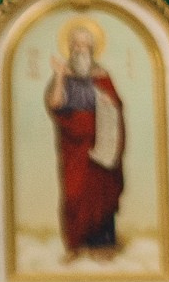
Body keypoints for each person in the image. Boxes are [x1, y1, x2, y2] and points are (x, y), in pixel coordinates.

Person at [43, 22, 125, 255]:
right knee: (74, 194)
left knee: (101, 192)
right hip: (73, 146)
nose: (81, 49)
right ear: (70, 48)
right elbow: (55, 103)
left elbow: (116, 106)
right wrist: (60, 75)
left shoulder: (102, 76)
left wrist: (108, 102)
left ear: (92, 49)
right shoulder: (63, 74)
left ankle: (103, 244)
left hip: (101, 143)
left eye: (85, 45)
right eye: (76, 45)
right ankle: (77, 244)